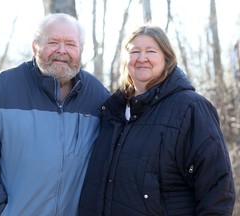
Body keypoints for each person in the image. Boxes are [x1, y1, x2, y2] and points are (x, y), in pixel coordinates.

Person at [0, 13, 110, 216]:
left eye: (70, 44)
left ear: (80, 50)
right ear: (35, 46)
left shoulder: (99, 96)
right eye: (53, 42)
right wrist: (3, 212)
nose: (61, 51)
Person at [79, 24, 235, 215]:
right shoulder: (112, 112)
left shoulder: (190, 107)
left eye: (151, 51)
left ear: (166, 58)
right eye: (135, 51)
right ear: (126, 60)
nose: (141, 58)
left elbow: (217, 188)